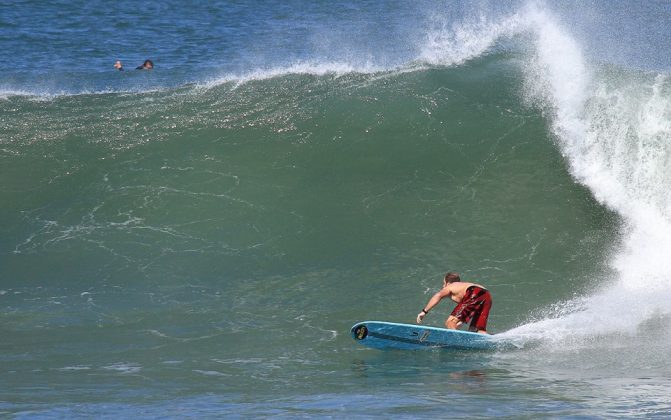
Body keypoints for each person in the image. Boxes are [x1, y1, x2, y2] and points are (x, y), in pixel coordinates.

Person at [416, 272, 492, 334]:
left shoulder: (451, 286)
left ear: (448, 283)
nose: (443, 286)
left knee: (450, 322)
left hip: (473, 292)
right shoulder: (462, 286)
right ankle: (489, 341)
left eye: (444, 283)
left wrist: (424, 311)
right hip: (487, 295)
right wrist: (460, 322)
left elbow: (438, 295)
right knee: (477, 329)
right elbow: (470, 308)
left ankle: (458, 341)